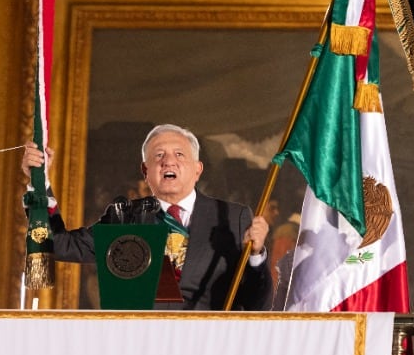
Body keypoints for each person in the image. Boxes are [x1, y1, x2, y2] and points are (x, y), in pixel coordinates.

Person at [22, 124, 272, 310]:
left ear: (197, 170)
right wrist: (39, 182)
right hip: (139, 352)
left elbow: (256, 303)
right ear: (146, 171)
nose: (168, 162)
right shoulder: (124, 217)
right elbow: (56, 244)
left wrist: (256, 256)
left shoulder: (233, 217)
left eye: (179, 155)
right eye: (158, 156)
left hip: (206, 352)